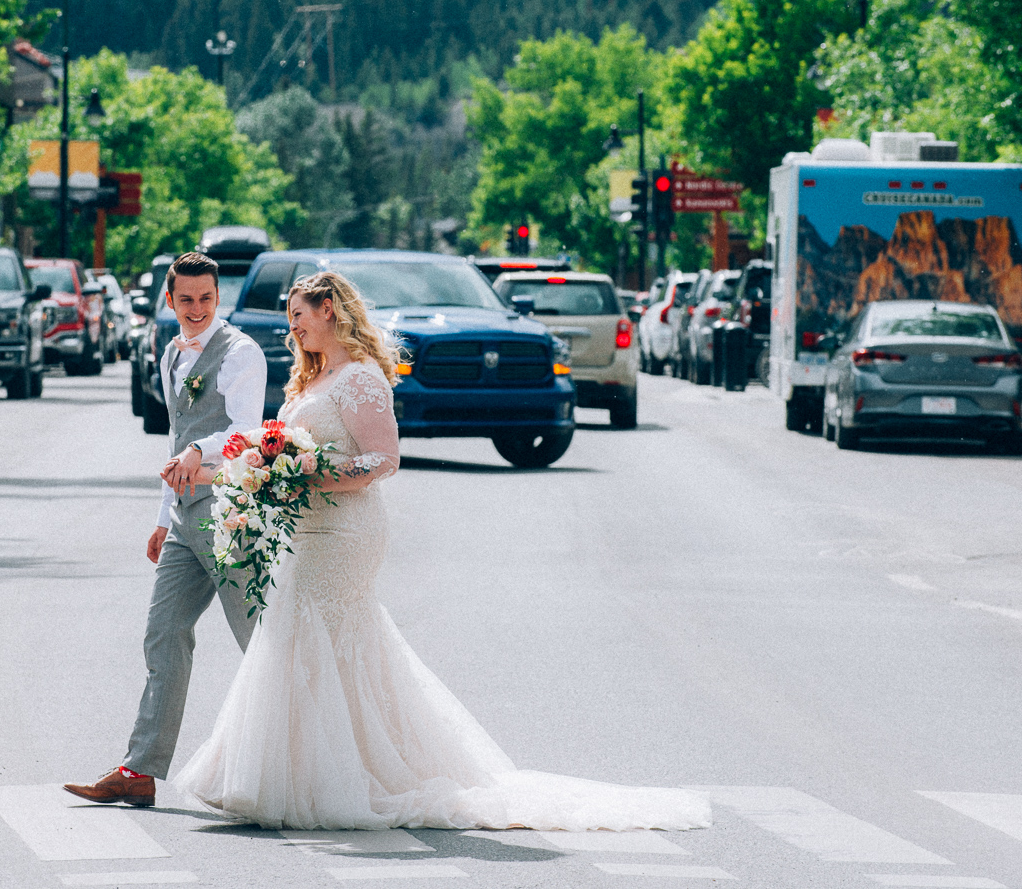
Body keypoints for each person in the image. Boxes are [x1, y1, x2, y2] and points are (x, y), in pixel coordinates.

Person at [172, 271, 712, 832]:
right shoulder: (311, 379)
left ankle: (325, 779)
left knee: (309, 634)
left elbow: (383, 460)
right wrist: (223, 470)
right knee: (303, 638)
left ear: (328, 309)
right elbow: (270, 455)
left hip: (346, 533)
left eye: (300, 316)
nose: (294, 328)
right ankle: (301, 773)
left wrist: (309, 474)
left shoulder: (360, 378)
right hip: (305, 530)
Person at [64, 251, 268, 807]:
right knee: (163, 635)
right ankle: (140, 771)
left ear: (218, 297)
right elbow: (174, 438)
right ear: (170, 301)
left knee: (259, 641)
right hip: (182, 518)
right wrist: (161, 517)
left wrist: (200, 450)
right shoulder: (172, 352)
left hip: (228, 515)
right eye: (186, 300)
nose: (196, 310)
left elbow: (247, 430)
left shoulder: (240, 352)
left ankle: (297, 757)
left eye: (206, 299)